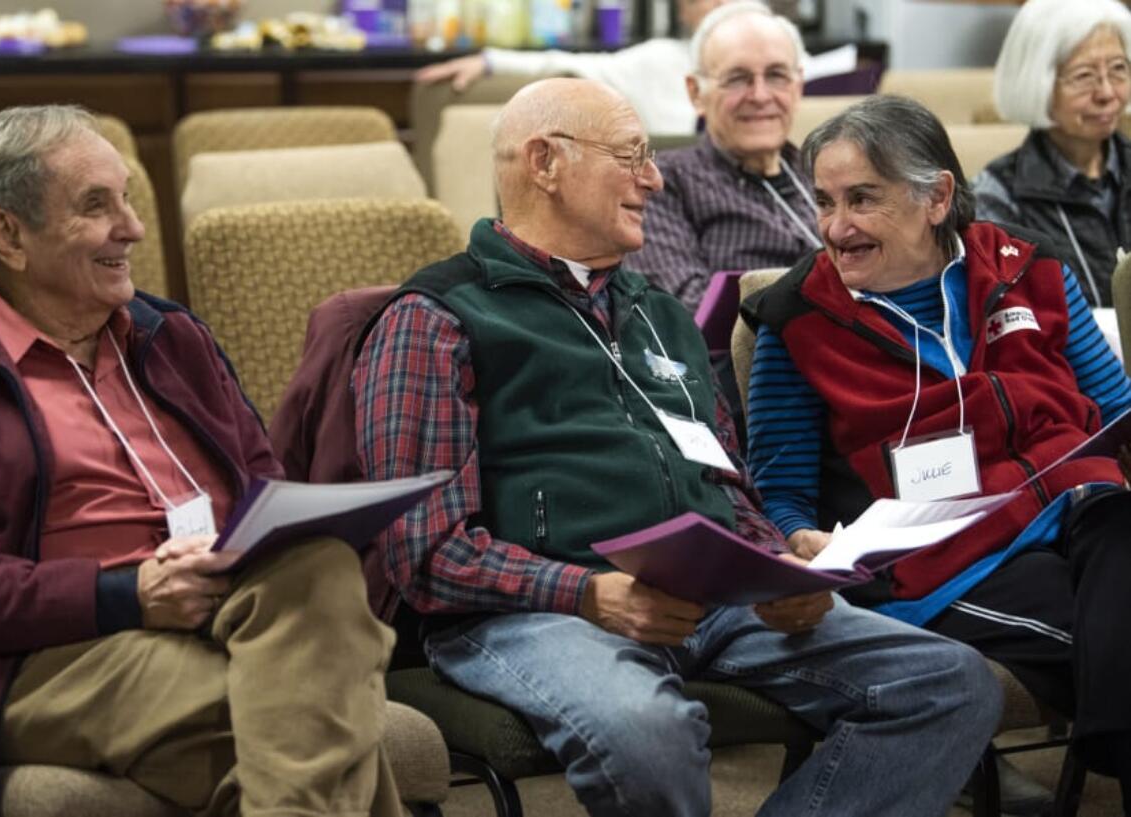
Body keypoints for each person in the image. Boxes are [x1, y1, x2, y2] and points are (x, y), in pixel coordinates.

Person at [353, 77, 1001, 817]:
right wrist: (589, 592)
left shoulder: (658, 311)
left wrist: (777, 567)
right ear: (545, 163)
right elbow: (426, 552)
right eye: (631, 156)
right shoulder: (434, 318)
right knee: (647, 728)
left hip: (713, 600)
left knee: (950, 682)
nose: (655, 178)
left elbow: (725, 481)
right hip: (536, 613)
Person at [0, 105, 401, 817]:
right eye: (95, 206)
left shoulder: (172, 337)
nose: (134, 228)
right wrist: (129, 592)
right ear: (6, 234)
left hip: (229, 608)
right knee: (312, 726)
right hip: (54, 650)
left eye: (127, 199)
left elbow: (268, 494)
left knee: (317, 559)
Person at [745, 94, 1131, 811]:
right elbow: (780, 490)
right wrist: (801, 538)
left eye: (862, 198)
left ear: (936, 197)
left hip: (1082, 505)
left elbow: (1117, 414)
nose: (835, 226)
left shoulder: (1026, 266)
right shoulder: (798, 317)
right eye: (825, 201)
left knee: (1117, 516)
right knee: (1100, 629)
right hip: (949, 556)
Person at [626, 0, 821, 316]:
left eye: (776, 75)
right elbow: (687, 314)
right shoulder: (662, 183)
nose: (759, 96)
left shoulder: (827, 175)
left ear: (798, 87)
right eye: (736, 78)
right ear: (695, 93)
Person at [973, 0, 1131, 308]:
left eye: (1118, 69)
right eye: (1084, 76)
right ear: (1036, 82)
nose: (1107, 93)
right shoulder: (996, 197)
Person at [414, 0, 727, 137]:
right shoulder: (657, 59)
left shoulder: (776, 53)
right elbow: (565, 61)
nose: (720, 4)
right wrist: (488, 61)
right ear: (684, 12)